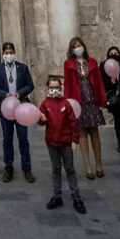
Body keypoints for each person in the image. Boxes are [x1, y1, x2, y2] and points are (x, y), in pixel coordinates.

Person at [38, 76, 86, 214]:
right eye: (51, 87)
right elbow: (42, 122)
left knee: (70, 169)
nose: (54, 90)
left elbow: (73, 123)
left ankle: (76, 197)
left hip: (65, 142)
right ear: (47, 88)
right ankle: (57, 195)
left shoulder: (66, 103)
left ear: (61, 88)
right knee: (56, 169)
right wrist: (41, 119)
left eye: (56, 87)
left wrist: (74, 140)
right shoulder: (45, 104)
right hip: (52, 142)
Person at [0, 42, 35, 183]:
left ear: (14, 53)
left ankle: (27, 169)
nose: (9, 55)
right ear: (3, 54)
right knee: (7, 140)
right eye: (6, 52)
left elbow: (30, 85)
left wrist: (19, 94)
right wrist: (5, 94)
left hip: (21, 109)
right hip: (6, 109)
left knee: (23, 140)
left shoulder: (23, 68)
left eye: (11, 52)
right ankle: (8, 169)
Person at [63, 37, 107, 180]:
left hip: (92, 101)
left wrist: (102, 99)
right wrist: (68, 104)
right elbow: (68, 84)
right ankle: (87, 165)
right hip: (78, 102)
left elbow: (99, 81)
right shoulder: (69, 64)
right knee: (81, 134)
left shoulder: (92, 62)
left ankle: (98, 164)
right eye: (75, 46)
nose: (78, 48)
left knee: (94, 132)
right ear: (72, 49)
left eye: (80, 45)